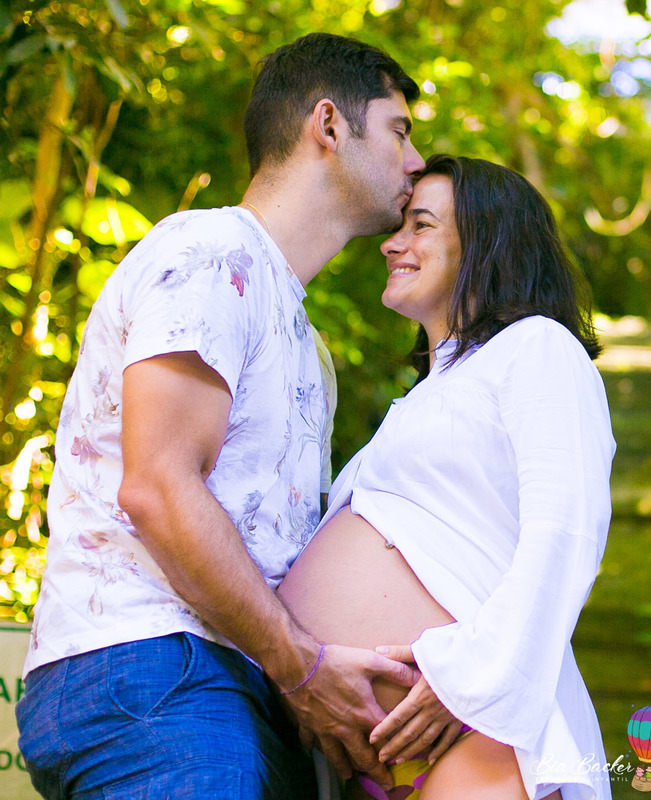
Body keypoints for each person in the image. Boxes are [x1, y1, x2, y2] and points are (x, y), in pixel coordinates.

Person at [16, 33, 427, 798]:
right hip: (155, 673)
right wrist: (301, 662)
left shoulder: (309, 345)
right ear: (329, 125)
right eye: (400, 131)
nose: (415, 162)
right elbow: (158, 488)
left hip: (242, 685)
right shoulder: (212, 253)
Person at [277, 154, 616, 800]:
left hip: (480, 734)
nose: (392, 243)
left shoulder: (537, 348)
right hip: (386, 761)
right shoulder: (427, 395)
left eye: (420, 225)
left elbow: (566, 533)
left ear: (487, 242)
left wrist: (467, 683)